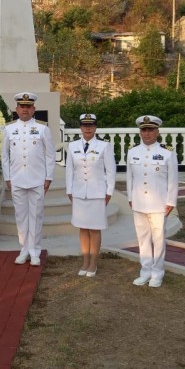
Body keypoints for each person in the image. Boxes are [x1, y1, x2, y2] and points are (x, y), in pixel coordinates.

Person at [2, 92, 56, 266]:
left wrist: (48, 177)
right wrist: (7, 177)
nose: (25, 110)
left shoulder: (43, 128)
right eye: (22, 106)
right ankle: (24, 249)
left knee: (36, 216)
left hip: (37, 179)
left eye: (28, 107)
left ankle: (35, 251)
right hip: (17, 179)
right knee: (21, 216)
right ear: (16, 109)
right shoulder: (9, 129)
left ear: (34, 109)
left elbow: (50, 155)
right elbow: (4, 156)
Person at [125, 115, 178, 287]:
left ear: (157, 131)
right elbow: (129, 177)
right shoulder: (132, 151)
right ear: (140, 132)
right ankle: (145, 271)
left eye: (150, 129)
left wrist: (171, 201)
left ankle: (157, 273)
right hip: (139, 202)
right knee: (143, 239)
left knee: (158, 238)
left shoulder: (167, 152)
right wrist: (131, 197)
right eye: (144, 130)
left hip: (159, 204)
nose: (147, 133)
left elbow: (173, 180)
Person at [65, 113, 115, 277]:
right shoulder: (72, 146)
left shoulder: (104, 146)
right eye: (85, 125)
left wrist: (109, 191)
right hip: (79, 192)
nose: (88, 128)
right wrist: (69, 190)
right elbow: (69, 170)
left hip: (97, 193)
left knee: (95, 229)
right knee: (83, 228)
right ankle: (85, 260)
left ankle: (94, 262)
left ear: (95, 127)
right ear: (80, 127)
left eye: (91, 125)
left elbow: (111, 170)